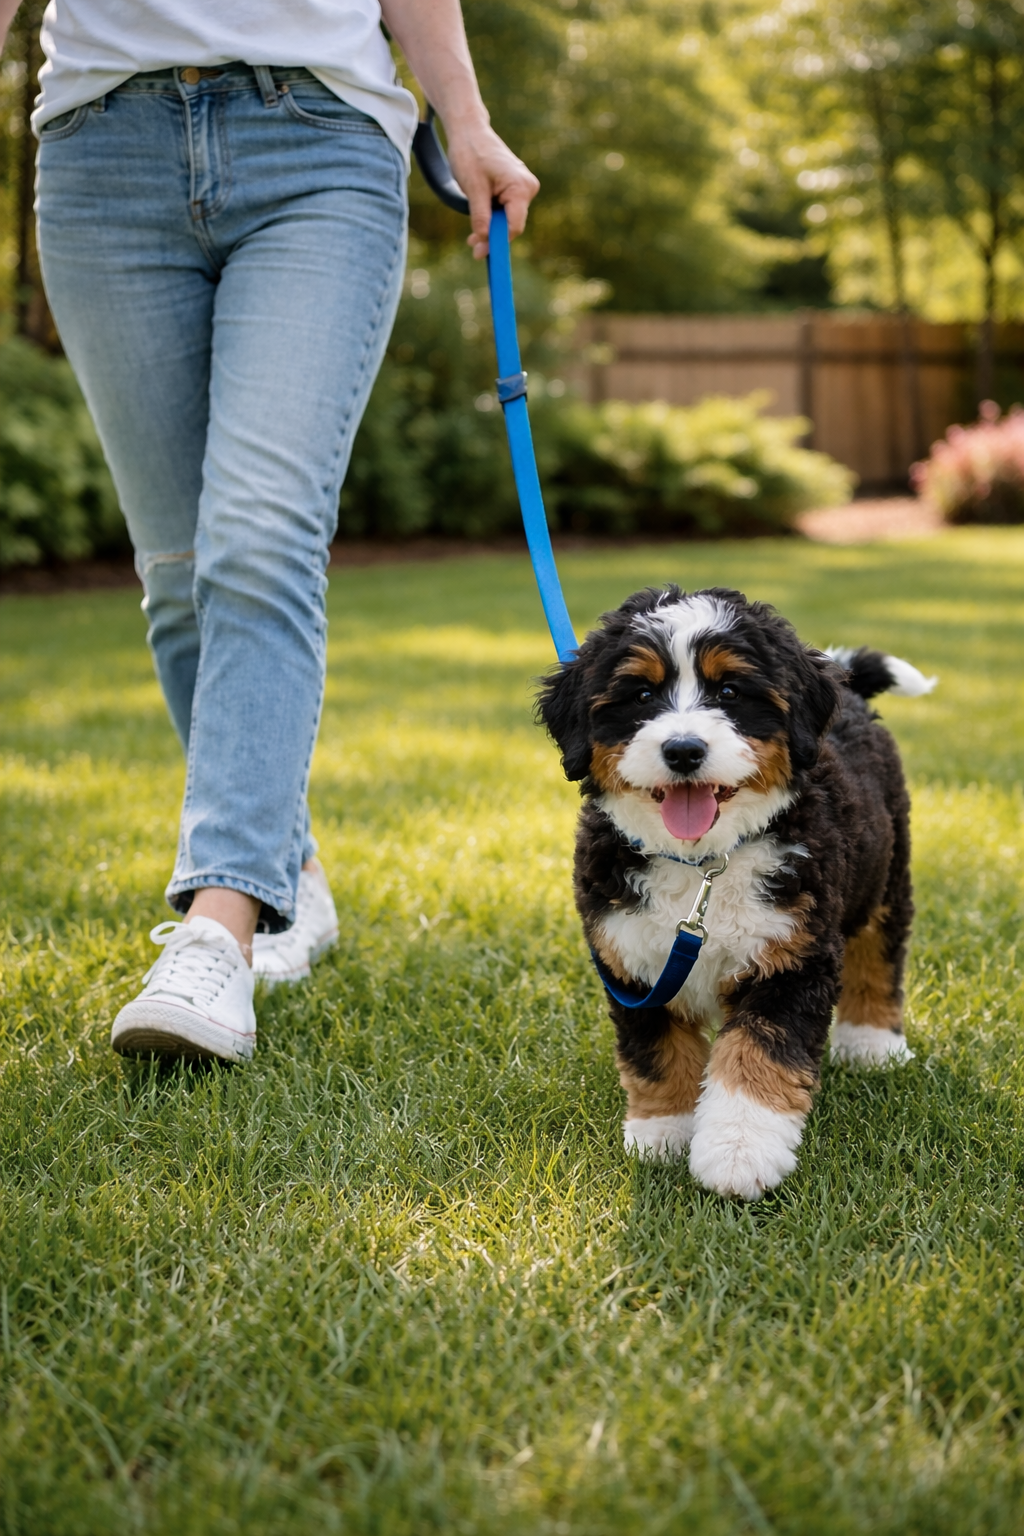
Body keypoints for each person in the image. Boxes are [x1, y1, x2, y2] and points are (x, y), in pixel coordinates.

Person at [1, 0, 538, 1061]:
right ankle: (282, 867)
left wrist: (464, 116)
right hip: (102, 146)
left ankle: (218, 930)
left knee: (258, 537)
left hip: (319, 142)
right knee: (180, 572)